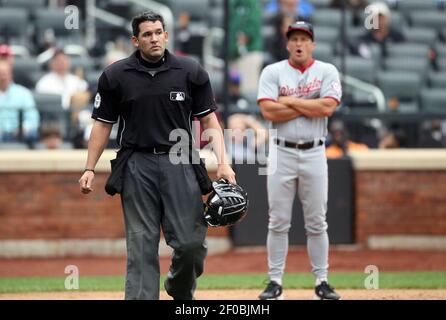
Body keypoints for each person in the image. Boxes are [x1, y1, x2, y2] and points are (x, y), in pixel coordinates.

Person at [78, 11, 235, 300]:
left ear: (166, 35)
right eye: (147, 34)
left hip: (180, 161)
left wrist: (223, 161)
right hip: (137, 164)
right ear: (135, 40)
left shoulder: (190, 71)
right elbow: (102, 124)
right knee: (141, 247)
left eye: (158, 32)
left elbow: (210, 121)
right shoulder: (115, 75)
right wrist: (89, 167)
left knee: (190, 244)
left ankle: (178, 287)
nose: (154, 38)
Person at [257, 21, 342, 300]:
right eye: (294, 38)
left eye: (304, 39)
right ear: (287, 43)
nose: (298, 43)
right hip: (282, 151)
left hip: (315, 151)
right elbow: (269, 111)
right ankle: (275, 281)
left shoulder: (327, 70)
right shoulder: (273, 71)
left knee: (317, 222)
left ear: (312, 44)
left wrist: (289, 102)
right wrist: (310, 106)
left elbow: (328, 107)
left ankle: (322, 281)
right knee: (278, 221)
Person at [0, 60, 39, 142]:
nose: (2, 77)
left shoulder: (23, 93)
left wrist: (23, 129)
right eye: (0, 74)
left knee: (32, 134)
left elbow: (32, 117)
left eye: (5, 74)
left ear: (11, 75)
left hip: (20, 134)